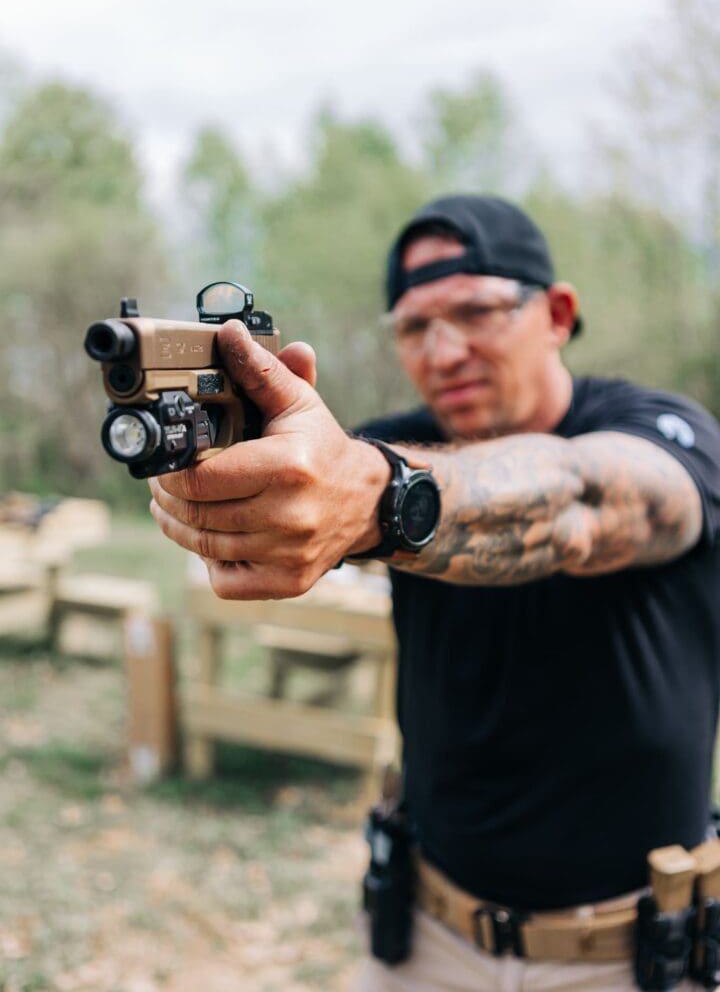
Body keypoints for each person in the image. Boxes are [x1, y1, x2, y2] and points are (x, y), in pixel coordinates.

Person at [148, 195, 720, 992]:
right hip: (422, 935)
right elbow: (315, 497)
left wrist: (385, 500)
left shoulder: (658, 430)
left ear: (557, 314)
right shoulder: (392, 439)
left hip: (630, 952)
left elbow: (579, 501)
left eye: (477, 313)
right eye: (414, 328)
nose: (444, 351)